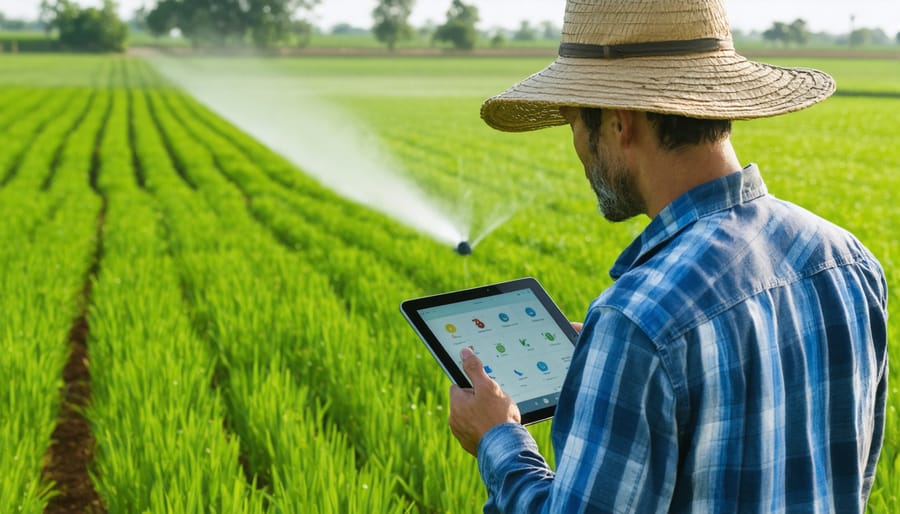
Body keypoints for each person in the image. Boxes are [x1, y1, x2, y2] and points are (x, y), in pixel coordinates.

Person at [448, 0, 888, 512]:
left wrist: (499, 440)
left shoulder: (637, 319)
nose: (578, 151)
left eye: (573, 123)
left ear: (619, 122)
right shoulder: (847, 261)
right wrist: (608, 358)